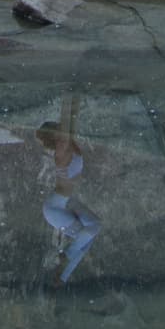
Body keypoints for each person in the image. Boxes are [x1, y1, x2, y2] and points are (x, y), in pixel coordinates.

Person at [36, 94, 101, 285]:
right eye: (57, 128)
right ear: (55, 133)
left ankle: (64, 268)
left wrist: (74, 98)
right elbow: (67, 122)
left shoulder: (67, 145)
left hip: (59, 206)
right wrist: (69, 98)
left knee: (90, 231)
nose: (61, 129)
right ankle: (62, 275)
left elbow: (70, 122)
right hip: (58, 208)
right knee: (90, 234)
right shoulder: (62, 149)